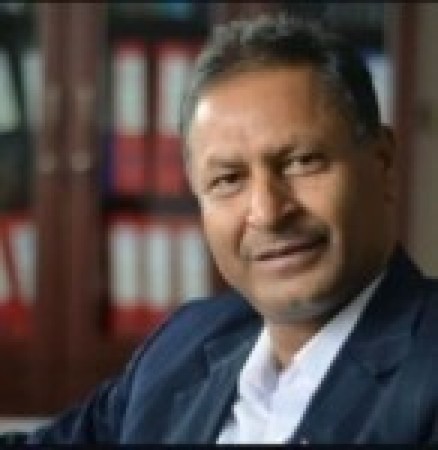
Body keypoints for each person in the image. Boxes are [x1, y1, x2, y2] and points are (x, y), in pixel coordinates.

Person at [5, 12, 438, 445]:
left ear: (383, 163)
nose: (267, 213)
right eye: (229, 180)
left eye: (302, 162)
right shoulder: (188, 342)